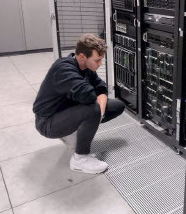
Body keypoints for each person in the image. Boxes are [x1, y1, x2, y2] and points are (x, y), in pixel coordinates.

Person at [33, 34, 125, 174]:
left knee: (116, 106)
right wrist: (97, 111)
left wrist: (100, 112)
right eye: (97, 60)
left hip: (65, 111)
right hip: (47, 121)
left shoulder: (86, 67)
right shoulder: (63, 69)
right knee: (92, 110)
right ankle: (80, 159)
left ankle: (75, 130)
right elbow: (89, 96)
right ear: (82, 56)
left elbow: (101, 89)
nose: (100, 64)